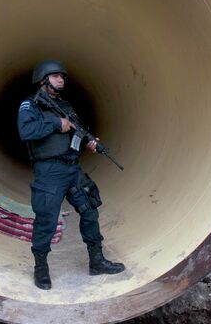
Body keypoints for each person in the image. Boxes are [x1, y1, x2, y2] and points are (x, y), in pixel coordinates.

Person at [17, 60, 125, 290]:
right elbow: (27, 131)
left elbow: (77, 128)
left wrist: (90, 141)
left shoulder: (64, 105)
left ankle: (96, 261)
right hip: (49, 172)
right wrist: (56, 123)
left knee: (90, 209)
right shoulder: (30, 106)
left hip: (71, 168)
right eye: (56, 76)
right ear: (43, 79)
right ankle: (41, 268)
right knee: (46, 219)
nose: (61, 80)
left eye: (62, 77)